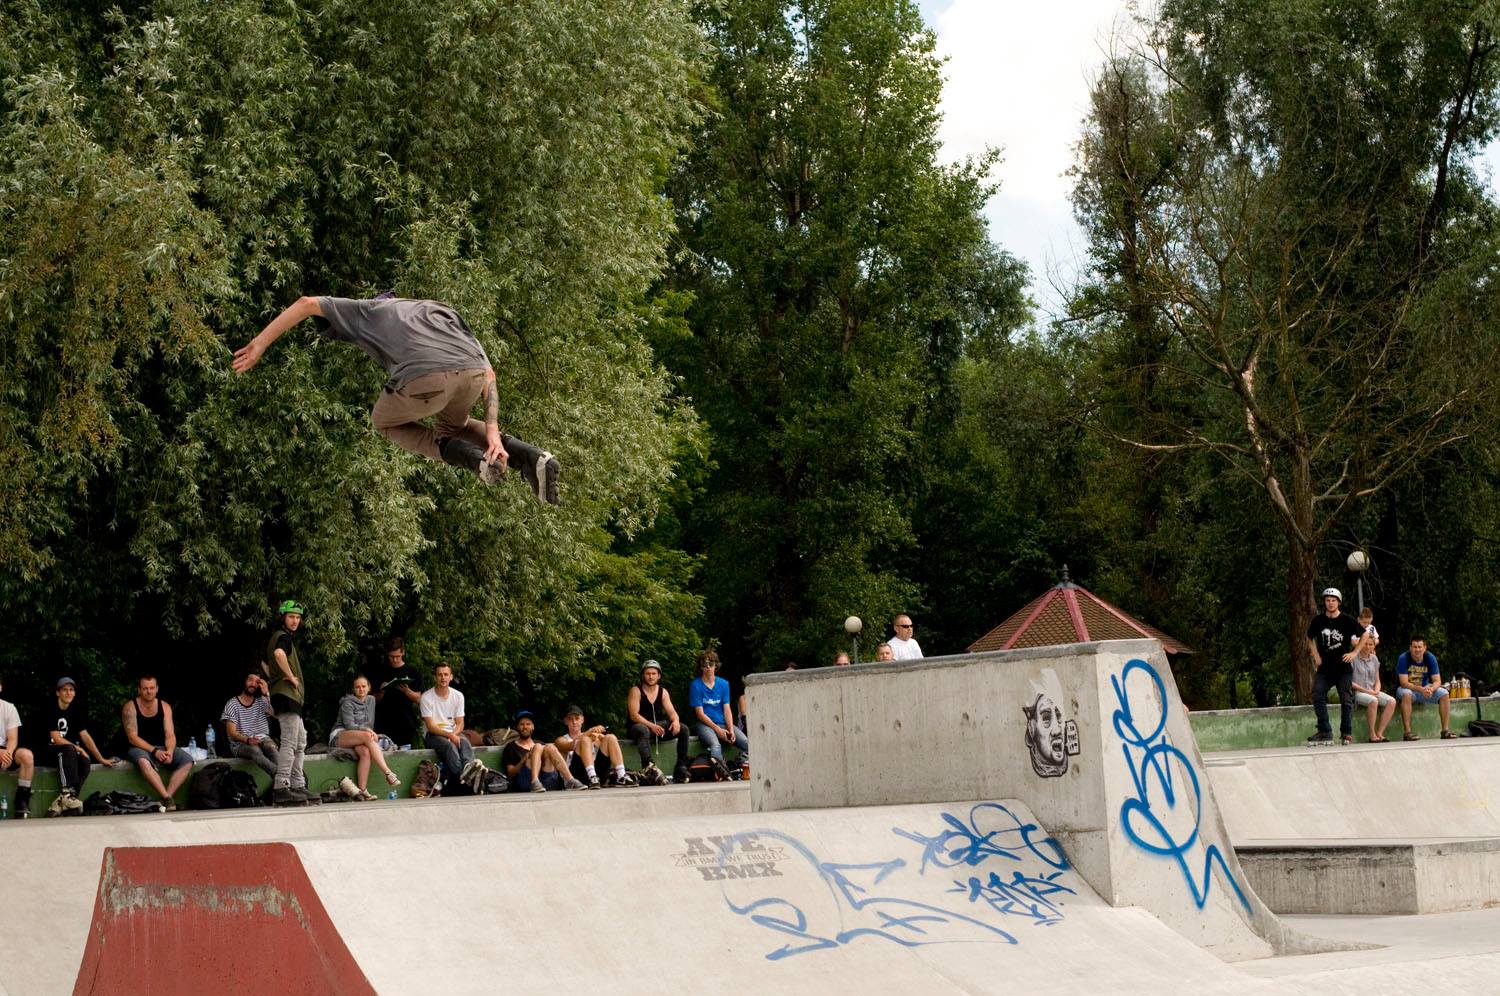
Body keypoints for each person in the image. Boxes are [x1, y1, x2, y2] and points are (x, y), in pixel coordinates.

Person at [232, 293, 560, 504]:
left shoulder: (369, 310)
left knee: (383, 422)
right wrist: (492, 432)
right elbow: (488, 374)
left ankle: (475, 462)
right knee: (454, 427)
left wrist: (259, 344)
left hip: (425, 376)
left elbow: (307, 304)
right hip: (472, 375)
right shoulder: (442, 310)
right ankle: (530, 457)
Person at [266, 600, 317, 806]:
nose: (295, 621)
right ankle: (282, 786)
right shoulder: (283, 637)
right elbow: (278, 654)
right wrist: (290, 676)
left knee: (301, 741)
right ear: (282, 617)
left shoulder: (279, 637)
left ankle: (297, 784)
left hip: (289, 697)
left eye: (297, 617)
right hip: (286, 695)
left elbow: (265, 663)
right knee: (289, 741)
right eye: (291, 617)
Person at [121, 674, 193, 812]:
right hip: (139, 748)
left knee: (187, 761)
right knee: (143, 761)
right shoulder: (130, 707)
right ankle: (166, 797)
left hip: (162, 747)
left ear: (157, 689)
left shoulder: (164, 706)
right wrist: (154, 751)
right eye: (145, 688)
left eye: (152, 688)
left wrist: (170, 751)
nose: (149, 691)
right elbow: (132, 737)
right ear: (139, 690)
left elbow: (170, 734)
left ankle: (167, 799)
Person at [1304, 587, 1362, 746]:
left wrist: (1355, 652)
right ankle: (1325, 731)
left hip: (1343, 668)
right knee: (1317, 694)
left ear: (1339, 602)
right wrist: (1315, 655)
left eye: (1333, 600)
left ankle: (1346, 732)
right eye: (1328, 600)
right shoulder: (1318, 620)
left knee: (1346, 699)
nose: (1330, 603)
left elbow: (1364, 634)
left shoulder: (1346, 620)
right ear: (1324, 602)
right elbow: (1309, 638)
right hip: (1325, 669)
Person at [46, 677, 113, 815]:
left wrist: (100, 759)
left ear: (74, 693)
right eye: (64, 690)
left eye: (71, 690)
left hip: (65, 753)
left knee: (85, 761)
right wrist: (78, 748)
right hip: (44, 750)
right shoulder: (50, 708)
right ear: (58, 693)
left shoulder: (75, 710)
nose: (68, 693)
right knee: (70, 749)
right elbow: (56, 738)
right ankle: (66, 794)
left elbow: (85, 735)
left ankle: (64, 800)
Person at [330, 676, 401, 800]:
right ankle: (388, 773)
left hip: (361, 737)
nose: (361, 689)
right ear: (353, 689)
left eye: (363, 686)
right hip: (341, 735)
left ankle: (362, 790)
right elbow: (349, 725)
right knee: (368, 736)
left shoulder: (371, 700)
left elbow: (369, 723)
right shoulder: (347, 702)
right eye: (357, 687)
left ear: (369, 687)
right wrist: (367, 731)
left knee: (365, 752)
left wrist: (369, 732)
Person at [625, 660, 690, 779]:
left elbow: (672, 712)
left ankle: (681, 767)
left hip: (656, 728)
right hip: (637, 728)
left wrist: (675, 721)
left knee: (683, 729)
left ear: (659, 675)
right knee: (643, 729)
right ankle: (648, 767)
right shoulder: (636, 690)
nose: (651, 676)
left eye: (653, 673)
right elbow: (634, 715)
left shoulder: (663, 692)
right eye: (647, 673)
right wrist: (651, 725)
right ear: (643, 675)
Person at [688, 650, 747, 775]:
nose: (708, 667)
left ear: (716, 665)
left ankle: (743, 767)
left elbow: (727, 709)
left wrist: (730, 729)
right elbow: (700, 714)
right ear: (701, 667)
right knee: (715, 745)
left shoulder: (723, 684)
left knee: (746, 743)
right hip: (705, 725)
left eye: (711, 664)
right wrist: (718, 730)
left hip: (723, 723)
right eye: (704, 664)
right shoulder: (696, 685)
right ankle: (721, 774)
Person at [420, 662, 477, 788]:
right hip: (433, 735)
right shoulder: (426, 697)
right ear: (435, 677)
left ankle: (469, 768)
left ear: (451, 676)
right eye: (439, 675)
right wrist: (450, 736)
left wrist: (453, 734)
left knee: (464, 742)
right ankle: (463, 776)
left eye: (446, 674)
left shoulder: (458, 696)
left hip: (453, 732)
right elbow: (431, 726)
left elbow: (460, 723)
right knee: (450, 746)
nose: (443, 677)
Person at [500, 711, 583, 793]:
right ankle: (534, 781)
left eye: (528, 724)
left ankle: (570, 780)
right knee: (537, 747)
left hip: (546, 782)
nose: (525, 727)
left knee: (549, 747)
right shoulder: (511, 747)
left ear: (533, 727)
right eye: (522, 724)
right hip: (525, 783)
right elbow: (510, 773)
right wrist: (524, 759)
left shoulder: (541, 743)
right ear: (517, 727)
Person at [555, 706, 635, 788]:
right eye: (570, 719)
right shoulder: (561, 739)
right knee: (585, 740)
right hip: (577, 776)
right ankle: (592, 777)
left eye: (577, 718)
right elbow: (571, 745)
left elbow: (614, 748)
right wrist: (589, 732)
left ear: (582, 720)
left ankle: (621, 776)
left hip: (598, 775)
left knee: (610, 737)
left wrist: (601, 737)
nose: (574, 722)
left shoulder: (592, 735)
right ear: (565, 721)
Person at [221, 671, 280, 776]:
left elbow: (277, 715)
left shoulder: (262, 701)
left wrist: (267, 693)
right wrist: (248, 740)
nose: (253, 684)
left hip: (263, 738)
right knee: (254, 750)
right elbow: (232, 733)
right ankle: (280, 775)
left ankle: (281, 780)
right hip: (241, 744)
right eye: (250, 680)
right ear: (244, 681)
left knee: (271, 747)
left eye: (257, 682)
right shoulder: (232, 704)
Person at [1395, 636, 1454, 741]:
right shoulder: (1403, 658)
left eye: (1419, 647)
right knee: (1406, 694)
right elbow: (1403, 683)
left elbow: (1437, 681)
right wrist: (1421, 689)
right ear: (1410, 648)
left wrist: (1431, 689)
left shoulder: (1430, 658)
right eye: (1414, 647)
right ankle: (1407, 733)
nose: (1417, 650)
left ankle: (1445, 731)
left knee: (1444, 694)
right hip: (1407, 689)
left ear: (1424, 648)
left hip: (1425, 689)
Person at [374, 636, 423, 747]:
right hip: (383, 721)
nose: (395, 660)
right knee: (384, 752)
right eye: (391, 656)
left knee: (404, 753)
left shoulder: (412, 671)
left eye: (397, 656)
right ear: (387, 654)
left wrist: (407, 690)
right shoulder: (380, 670)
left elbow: (419, 699)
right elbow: (372, 700)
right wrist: (381, 691)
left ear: (403, 652)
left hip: (405, 722)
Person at [1349, 631, 1395, 743]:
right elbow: (1350, 682)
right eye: (1365, 643)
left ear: (1374, 646)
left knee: (1392, 701)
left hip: (1372, 691)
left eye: (1371, 644)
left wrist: (1376, 690)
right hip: (1358, 692)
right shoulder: (1353, 658)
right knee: (1373, 701)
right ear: (1360, 643)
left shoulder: (1374, 659)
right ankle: (1372, 734)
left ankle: (1380, 733)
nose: (1368, 646)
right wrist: (1369, 692)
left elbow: (1377, 680)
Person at [1, 675, 36, 818]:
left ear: (0, 687)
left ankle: (22, 799)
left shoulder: (9, 708)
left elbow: (13, 738)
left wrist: (8, 753)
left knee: (27, 756)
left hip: (5, 751)